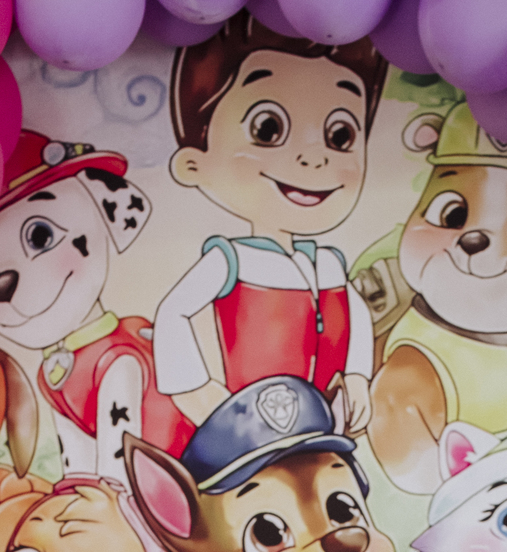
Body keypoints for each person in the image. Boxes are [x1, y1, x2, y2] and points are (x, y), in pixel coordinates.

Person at [152, 21, 386, 428]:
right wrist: (198, 392)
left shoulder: (328, 265)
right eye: (268, 129)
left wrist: (357, 376)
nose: (314, 158)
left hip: (325, 423)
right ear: (195, 164)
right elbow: (174, 313)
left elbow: (358, 316)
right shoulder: (231, 261)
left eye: (340, 135)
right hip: (255, 427)